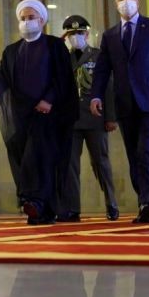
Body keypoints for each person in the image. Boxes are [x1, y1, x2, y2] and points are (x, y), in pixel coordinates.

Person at [0, 0, 78, 224]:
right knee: (24, 158)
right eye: (23, 19)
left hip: (48, 114)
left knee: (38, 158)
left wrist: (49, 99)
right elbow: (1, 73)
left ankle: (34, 201)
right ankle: (39, 209)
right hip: (21, 116)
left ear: (42, 21)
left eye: (31, 18)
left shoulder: (55, 46)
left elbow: (63, 77)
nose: (27, 22)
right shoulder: (11, 51)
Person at [91, 0, 149, 223]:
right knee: (133, 155)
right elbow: (102, 70)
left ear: (138, 1)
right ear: (115, 2)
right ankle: (144, 202)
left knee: (146, 151)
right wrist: (96, 95)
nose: (126, 1)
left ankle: (148, 203)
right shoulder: (109, 35)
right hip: (125, 102)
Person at [57, 15, 120, 222]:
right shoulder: (62, 57)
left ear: (87, 33)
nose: (76, 37)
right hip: (69, 120)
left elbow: (109, 87)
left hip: (95, 117)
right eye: (71, 34)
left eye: (79, 33)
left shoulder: (98, 55)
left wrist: (111, 117)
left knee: (100, 162)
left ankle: (111, 203)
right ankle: (72, 209)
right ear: (66, 36)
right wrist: (58, 44)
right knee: (69, 165)